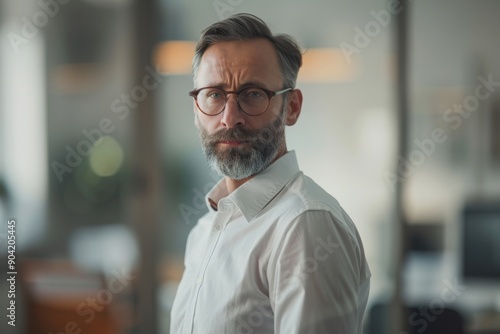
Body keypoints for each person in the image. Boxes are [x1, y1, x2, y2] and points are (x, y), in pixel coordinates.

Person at [170, 13, 370, 334]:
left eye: (252, 94)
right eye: (215, 95)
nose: (229, 118)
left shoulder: (304, 224)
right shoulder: (204, 230)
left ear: (291, 107)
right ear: (197, 109)